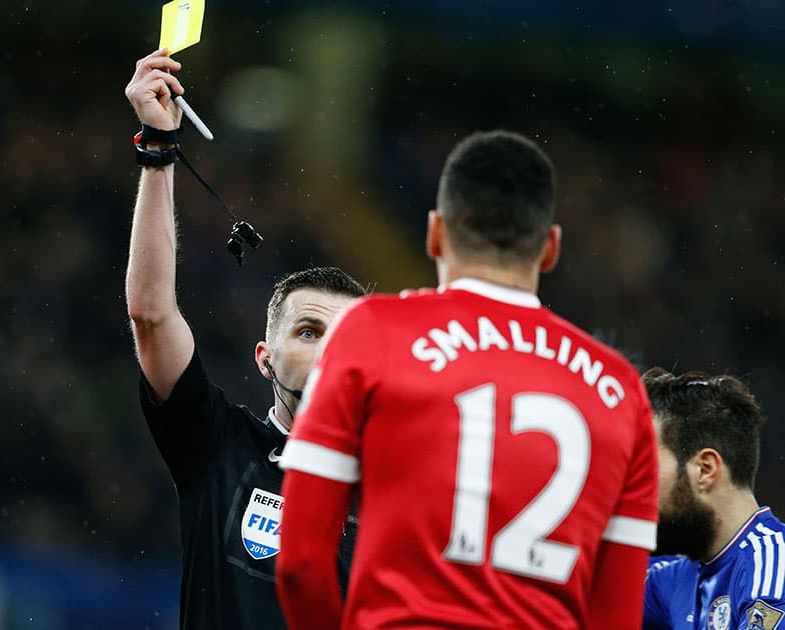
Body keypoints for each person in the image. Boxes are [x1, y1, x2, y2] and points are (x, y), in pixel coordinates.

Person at [276, 130, 659, 629]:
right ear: (550, 248)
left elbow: (301, 566)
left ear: (435, 233)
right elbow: (616, 619)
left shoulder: (372, 334)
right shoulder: (619, 392)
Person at [125, 49, 368, 629]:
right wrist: (159, 153)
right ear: (265, 358)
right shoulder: (220, 447)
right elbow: (152, 315)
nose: (330, 351)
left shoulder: (402, 498)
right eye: (309, 331)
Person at [641, 368, 785, 630]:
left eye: (647, 465)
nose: (636, 486)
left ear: (705, 469)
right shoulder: (674, 577)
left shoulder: (773, 568)